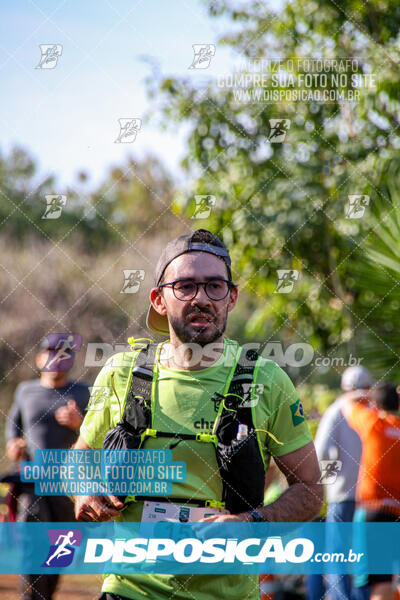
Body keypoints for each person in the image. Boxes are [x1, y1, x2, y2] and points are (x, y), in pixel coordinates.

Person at [73, 228, 323, 600]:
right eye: (185, 286)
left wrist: (251, 523)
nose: (201, 298)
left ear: (232, 297)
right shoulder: (122, 373)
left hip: (229, 593)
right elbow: (82, 453)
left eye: (214, 286)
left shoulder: (267, 382)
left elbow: (311, 490)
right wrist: (84, 491)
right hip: (130, 588)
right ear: (159, 300)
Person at [5, 334, 89, 600]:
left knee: (61, 552)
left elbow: (100, 434)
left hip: (68, 486)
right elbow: (13, 429)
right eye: (52, 352)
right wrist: (13, 445)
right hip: (32, 481)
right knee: (32, 545)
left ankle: (44, 595)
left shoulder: (83, 392)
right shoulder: (25, 391)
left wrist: (80, 423)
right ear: (40, 358)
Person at [314, 366, 374, 600]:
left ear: (343, 386)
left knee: (337, 553)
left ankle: (340, 597)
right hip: (369, 497)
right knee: (364, 554)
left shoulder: (337, 410)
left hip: (341, 496)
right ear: (369, 386)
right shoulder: (373, 411)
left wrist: (331, 482)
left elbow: (321, 453)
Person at [341, 381, 400, 600]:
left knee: (380, 582)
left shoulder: (373, 422)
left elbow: (346, 403)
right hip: (397, 512)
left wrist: (367, 395)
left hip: (374, 512)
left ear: (376, 404)